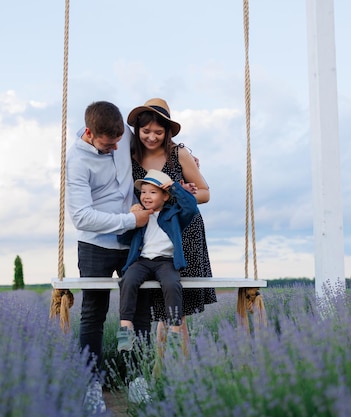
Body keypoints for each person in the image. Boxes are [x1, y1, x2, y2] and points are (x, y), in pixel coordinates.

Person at [65, 100, 153, 413]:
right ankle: (92, 386)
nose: (115, 148)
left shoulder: (123, 137)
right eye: (107, 143)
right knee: (93, 314)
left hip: (132, 244)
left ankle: (136, 379)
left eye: (118, 142)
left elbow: (153, 140)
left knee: (136, 313)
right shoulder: (76, 160)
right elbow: (82, 217)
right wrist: (130, 220)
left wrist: (184, 159)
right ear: (89, 133)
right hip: (95, 246)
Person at [127, 98, 217, 352]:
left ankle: (177, 371)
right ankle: (163, 370)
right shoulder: (130, 155)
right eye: (146, 131)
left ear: (167, 132)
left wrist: (174, 197)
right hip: (150, 238)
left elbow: (205, 193)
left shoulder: (180, 153)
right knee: (158, 308)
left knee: (178, 311)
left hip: (183, 233)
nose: (152, 137)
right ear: (137, 130)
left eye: (158, 132)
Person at [116, 169, 199, 354]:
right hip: (143, 260)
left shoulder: (174, 215)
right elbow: (122, 239)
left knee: (172, 284)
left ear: (165, 197)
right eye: (143, 192)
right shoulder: (141, 215)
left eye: (152, 192)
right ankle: (125, 326)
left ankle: (175, 330)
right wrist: (132, 219)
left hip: (166, 261)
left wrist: (175, 188)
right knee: (127, 280)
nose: (146, 196)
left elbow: (192, 208)